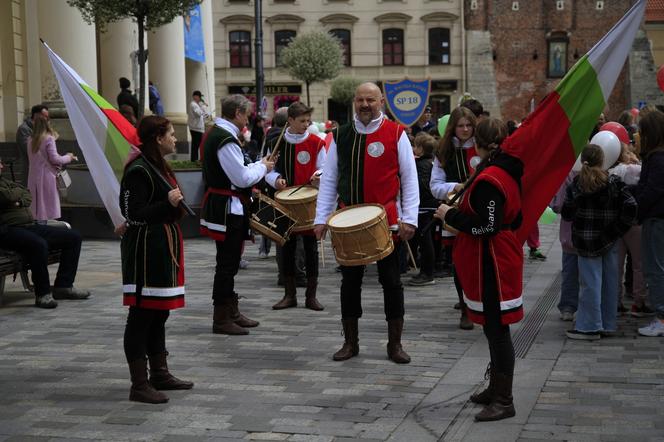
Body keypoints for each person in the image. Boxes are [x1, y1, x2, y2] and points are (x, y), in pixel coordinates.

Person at [314, 82, 419, 364]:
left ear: (381, 102)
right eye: (360, 100)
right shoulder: (341, 135)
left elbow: (409, 179)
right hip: (348, 221)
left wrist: (409, 218)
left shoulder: (396, 134)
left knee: (391, 282)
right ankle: (350, 342)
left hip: (385, 221)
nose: (364, 105)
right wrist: (321, 218)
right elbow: (330, 180)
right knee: (350, 283)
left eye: (370, 100)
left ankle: (395, 344)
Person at [435, 118, 524, 422]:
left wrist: (451, 215)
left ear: (478, 143)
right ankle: (496, 388)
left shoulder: (491, 178)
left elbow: (488, 225)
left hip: (494, 262)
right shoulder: (499, 170)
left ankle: (504, 399)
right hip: (493, 257)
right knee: (491, 327)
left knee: (498, 330)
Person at [120, 116, 193, 404]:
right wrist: (169, 204)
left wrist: (172, 206)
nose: (175, 138)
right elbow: (133, 213)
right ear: (157, 138)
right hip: (145, 251)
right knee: (142, 315)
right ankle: (139, 383)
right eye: (171, 134)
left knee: (159, 312)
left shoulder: (158, 166)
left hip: (163, 247)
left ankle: (159, 373)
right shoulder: (138, 170)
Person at [200, 94, 274, 335]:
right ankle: (221, 317)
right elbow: (241, 178)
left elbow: (240, 170)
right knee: (227, 264)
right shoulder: (225, 138)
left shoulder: (218, 133)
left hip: (227, 204)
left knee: (228, 262)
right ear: (238, 113)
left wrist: (259, 165)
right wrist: (263, 167)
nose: (249, 118)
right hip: (227, 208)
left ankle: (230, 310)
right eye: (247, 114)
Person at [562, 144, 637, 340]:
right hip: (609, 239)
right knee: (610, 283)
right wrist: (618, 229)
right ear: (603, 160)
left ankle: (589, 326)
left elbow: (567, 213)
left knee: (590, 284)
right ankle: (607, 323)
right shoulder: (614, 183)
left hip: (585, 241)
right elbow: (631, 205)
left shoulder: (577, 184)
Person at [0, 158, 90, 309]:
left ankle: (64, 286)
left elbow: (26, 193)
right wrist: (17, 196)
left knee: (73, 237)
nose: (2, 165)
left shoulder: (5, 181)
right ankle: (43, 293)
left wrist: (18, 198)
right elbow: (6, 196)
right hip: (7, 230)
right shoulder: (5, 186)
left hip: (27, 226)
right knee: (38, 245)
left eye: (2, 162)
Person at [265, 102, 326, 311]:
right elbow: (265, 169)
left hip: (309, 203)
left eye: (308, 121)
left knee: (310, 249)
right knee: (287, 247)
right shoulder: (276, 142)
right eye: (302, 121)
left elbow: (324, 169)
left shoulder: (317, 142)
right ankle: (289, 294)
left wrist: (318, 175)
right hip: (285, 203)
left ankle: (311, 296)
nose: (306, 125)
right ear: (290, 120)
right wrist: (276, 180)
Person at [430, 106, 477, 330]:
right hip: (455, 212)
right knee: (458, 261)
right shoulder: (443, 152)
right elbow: (434, 187)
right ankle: (465, 307)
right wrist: (456, 186)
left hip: (479, 210)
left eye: (469, 125)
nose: (465, 129)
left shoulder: (482, 147)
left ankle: (478, 301)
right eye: (461, 125)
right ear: (453, 128)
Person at [631, 110, 664, 336]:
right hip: (656, 217)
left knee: (656, 269)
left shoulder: (658, 158)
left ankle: (661, 317)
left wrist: (635, 207)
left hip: (656, 220)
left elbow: (652, 190)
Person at [27, 115, 77, 222]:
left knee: (37, 205)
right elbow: (55, 159)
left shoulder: (30, 140)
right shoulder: (49, 138)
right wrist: (69, 157)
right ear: (47, 124)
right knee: (47, 206)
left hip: (33, 177)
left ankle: (39, 226)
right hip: (46, 176)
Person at [407, 132, 438, 286]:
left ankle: (427, 273)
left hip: (424, 207)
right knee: (426, 240)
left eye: (415, 146)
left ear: (420, 148)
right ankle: (426, 271)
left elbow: (421, 186)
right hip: (429, 206)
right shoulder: (430, 162)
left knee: (425, 241)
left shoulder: (421, 165)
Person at [16, 105, 49, 186]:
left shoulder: (42, 129)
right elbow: (29, 150)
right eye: (44, 116)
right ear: (36, 115)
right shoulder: (24, 129)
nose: (46, 119)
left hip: (42, 169)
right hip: (30, 169)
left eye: (47, 117)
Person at [188, 90, 209, 162]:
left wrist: (205, 113)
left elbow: (202, 115)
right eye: (198, 96)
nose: (199, 98)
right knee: (195, 145)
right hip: (195, 128)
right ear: (195, 96)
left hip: (199, 128)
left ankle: (196, 159)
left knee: (198, 144)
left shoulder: (197, 105)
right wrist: (203, 107)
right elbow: (198, 114)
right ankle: (194, 159)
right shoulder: (193, 104)